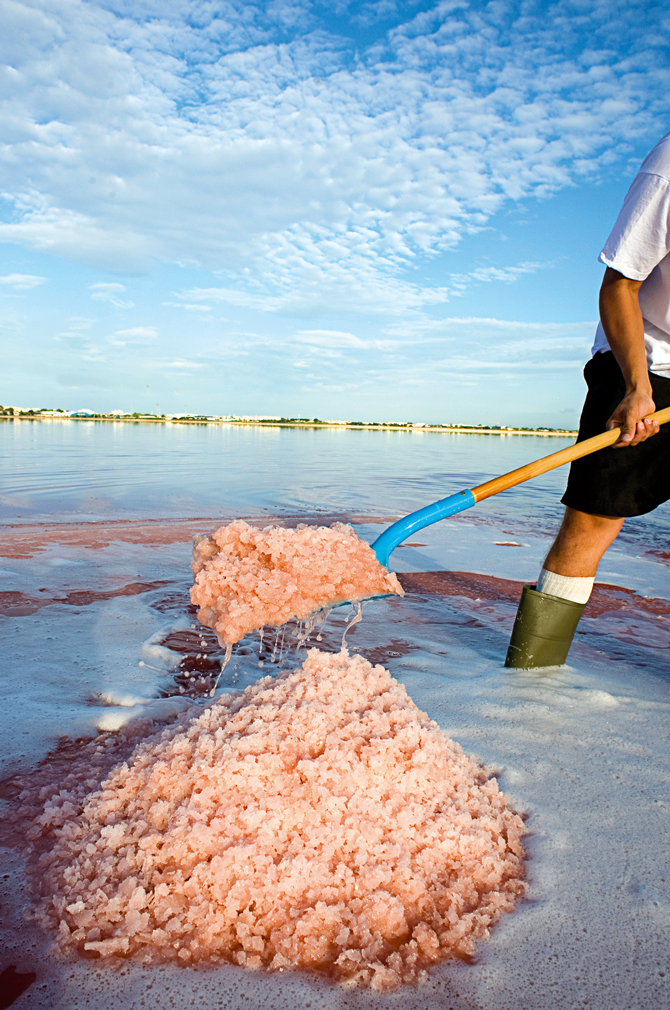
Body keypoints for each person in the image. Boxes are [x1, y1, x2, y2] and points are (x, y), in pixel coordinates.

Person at [505, 131, 670, 668]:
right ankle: (528, 680)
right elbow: (619, 286)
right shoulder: (668, 169)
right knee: (594, 519)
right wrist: (637, 388)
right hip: (645, 362)